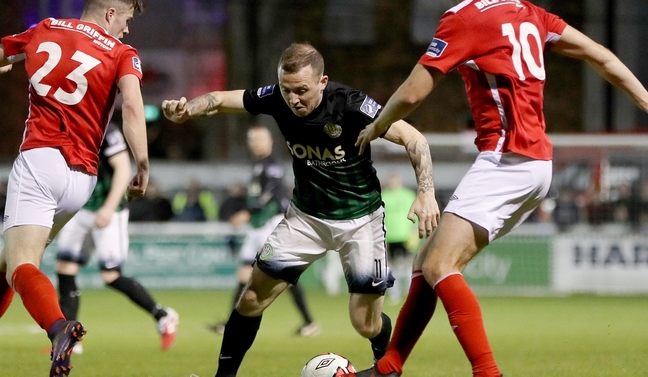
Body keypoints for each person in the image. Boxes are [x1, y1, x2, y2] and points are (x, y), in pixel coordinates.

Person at [352, 0, 648, 376]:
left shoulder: (462, 18)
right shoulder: (531, 14)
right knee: (426, 262)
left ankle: (486, 373)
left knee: (438, 263)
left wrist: (378, 125)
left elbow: (415, 92)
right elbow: (598, 53)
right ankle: (389, 366)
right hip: (537, 163)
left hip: (506, 158)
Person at [162, 42, 440, 377]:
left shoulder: (350, 104)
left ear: (323, 82)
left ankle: (388, 368)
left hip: (361, 221)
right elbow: (220, 100)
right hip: (305, 219)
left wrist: (426, 192)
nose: (294, 99)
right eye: (287, 90)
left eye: (302, 91)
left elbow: (414, 139)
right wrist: (187, 108)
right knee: (251, 298)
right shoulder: (277, 99)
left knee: (364, 323)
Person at [0, 0, 149, 377]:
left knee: (21, 266)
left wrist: (0, 69)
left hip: (41, 161)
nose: (127, 29)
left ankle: (59, 327)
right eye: (127, 18)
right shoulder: (122, 52)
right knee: (6, 273)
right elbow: (132, 107)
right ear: (110, 12)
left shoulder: (43, 29)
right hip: (82, 181)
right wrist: (143, 164)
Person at [55, 121, 178, 353]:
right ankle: (69, 340)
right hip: (82, 208)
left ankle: (163, 316)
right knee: (65, 268)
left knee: (111, 275)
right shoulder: (66, 125)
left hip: (108, 210)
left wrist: (109, 207)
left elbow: (122, 168)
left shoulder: (105, 130)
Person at [208, 125, 319, 337]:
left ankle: (309, 322)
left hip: (270, 224)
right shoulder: (258, 165)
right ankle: (232, 322)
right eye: (252, 139)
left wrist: (248, 213)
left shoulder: (271, 166)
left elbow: (273, 193)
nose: (255, 143)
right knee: (244, 273)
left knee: (285, 274)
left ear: (270, 142)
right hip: (258, 225)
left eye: (259, 139)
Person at [381, 174, 418, 304]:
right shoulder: (383, 196)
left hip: (405, 236)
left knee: (409, 265)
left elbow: (415, 214)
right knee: (391, 266)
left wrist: (414, 232)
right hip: (389, 236)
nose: (393, 183)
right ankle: (394, 294)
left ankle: (410, 293)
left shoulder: (408, 195)